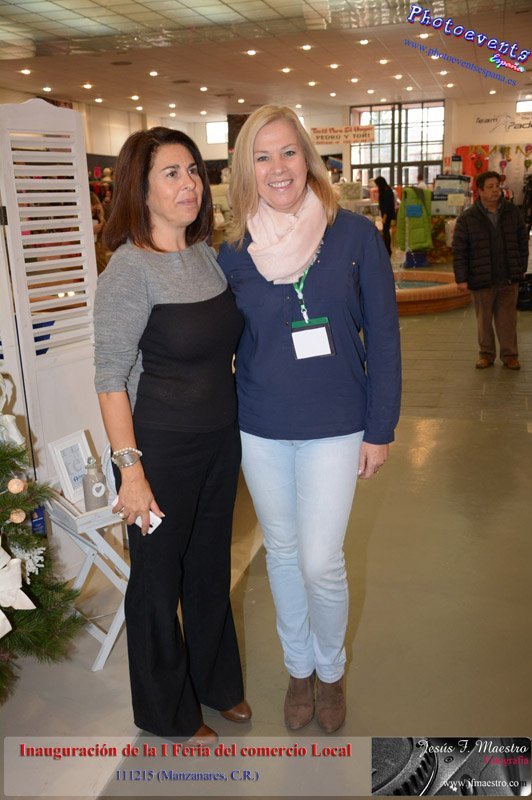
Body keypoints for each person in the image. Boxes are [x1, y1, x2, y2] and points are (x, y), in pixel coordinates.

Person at [218, 106, 401, 734]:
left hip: (338, 422)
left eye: (288, 152)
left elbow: (384, 334)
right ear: (247, 170)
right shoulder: (233, 252)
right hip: (261, 424)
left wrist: (380, 427)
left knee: (321, 559)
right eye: (262, 156)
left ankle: (330, 669)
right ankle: (299, 669)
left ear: (308, 159)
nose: (278, 167)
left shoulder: (353, 237)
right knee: (283, 551)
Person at [93, 127, 251, 742]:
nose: (189, 185)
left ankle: (217, 684)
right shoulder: (129, 270)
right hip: (158, 451)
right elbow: (110, 378)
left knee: (210, 569)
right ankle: (166, 712)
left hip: (218, 442)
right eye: (171, 173)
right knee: (157, 582)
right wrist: (130, 472)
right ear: (141, 189)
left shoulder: (206, 256)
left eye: (193, 171)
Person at [453, 170, 528, 370]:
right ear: (480, 191)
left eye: (497, 186)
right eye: (490, 187)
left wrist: (521, 267)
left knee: (508, 320)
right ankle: (486, 354)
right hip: (481, 278)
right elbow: (459, 250)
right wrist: (461, 278)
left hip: (508, 277)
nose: (495, 190)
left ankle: (510, 355)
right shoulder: (468, 218)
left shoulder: (512, 212)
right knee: (484, 321)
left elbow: (522, 241)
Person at [374, 176, 396, 256]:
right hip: (386, 214)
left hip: (387, 215)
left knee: (386, 232)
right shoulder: (387, 189)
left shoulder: (386, 191)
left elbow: (387, 205)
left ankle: (387, 250)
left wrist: (384, 217)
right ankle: (387, 249)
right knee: (385, 232)